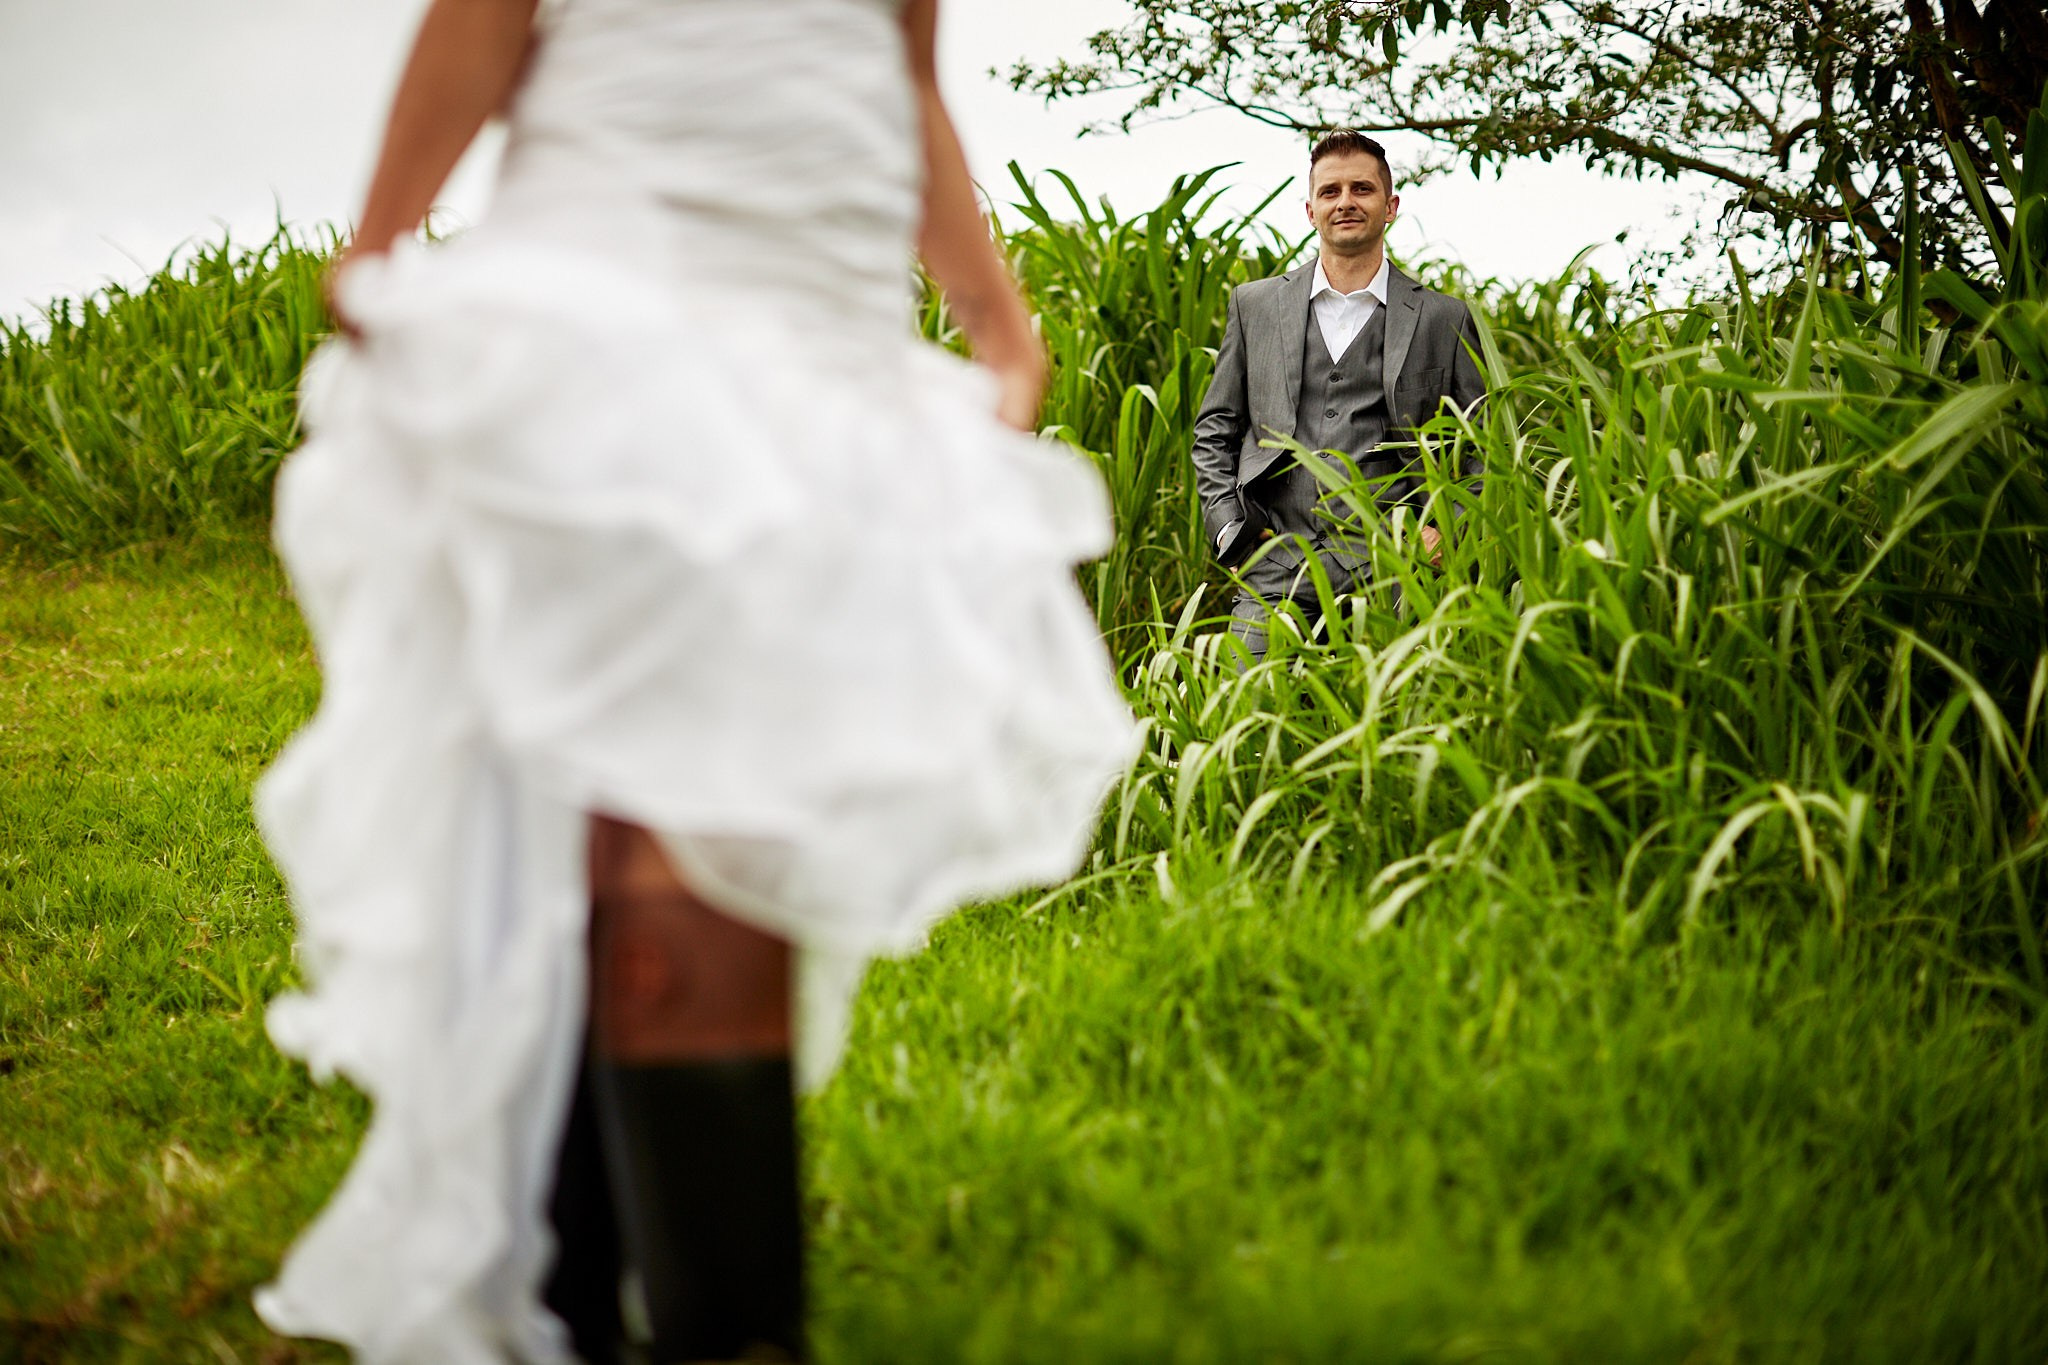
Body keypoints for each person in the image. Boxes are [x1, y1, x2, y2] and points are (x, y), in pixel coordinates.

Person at [249, 0, 1136, 1360]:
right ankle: (690, 1323)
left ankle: (602, 1297)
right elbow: (484, 21)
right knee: (655, 821)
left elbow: (903, 71)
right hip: (626, 279)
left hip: (818, 320)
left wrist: (994, 317)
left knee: (710, 806)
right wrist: (376, 243)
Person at [1191, 130, 1487, 663]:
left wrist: (1447, 532)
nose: (1345, 202)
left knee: (1395, 734)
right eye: (1330, 192)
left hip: (1398, 569)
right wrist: (1231, 530)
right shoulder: (1255, 306)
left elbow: (1480, 442)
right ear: (1310, 210)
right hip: (1277, 564)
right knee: (1246, 725)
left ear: (1390, 205)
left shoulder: (1443, 318)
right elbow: (1215, 428)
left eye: (1362, 189)